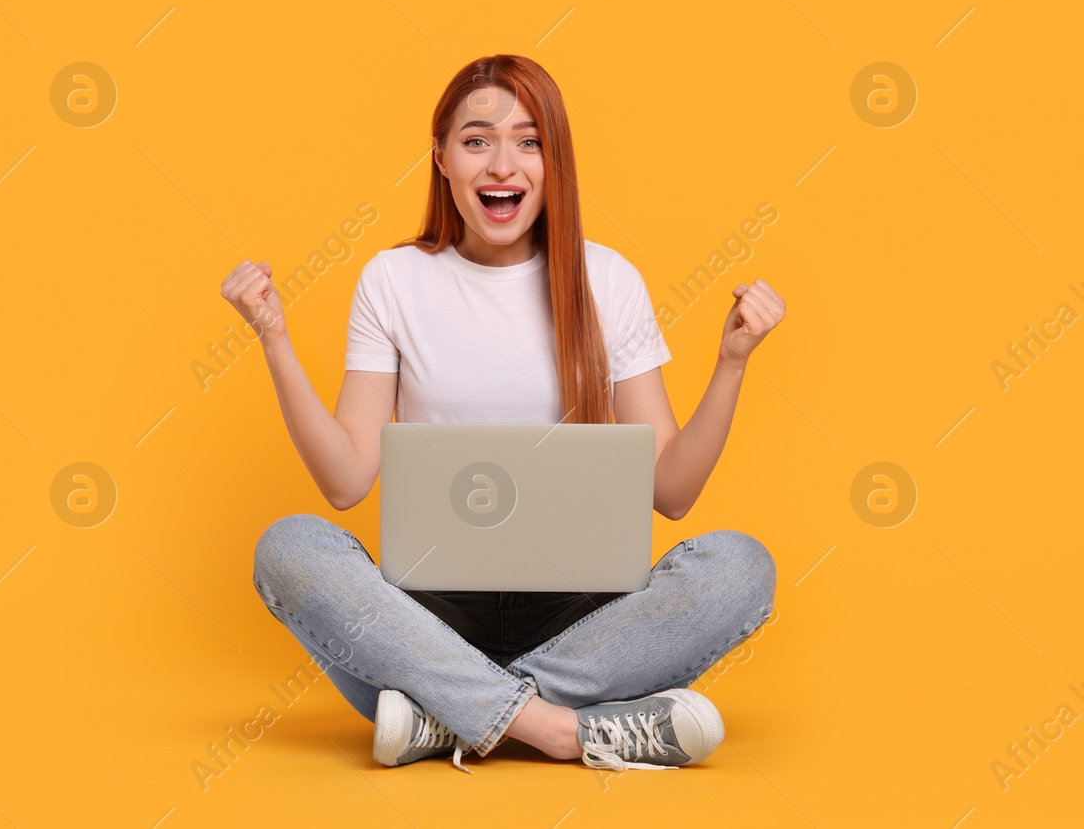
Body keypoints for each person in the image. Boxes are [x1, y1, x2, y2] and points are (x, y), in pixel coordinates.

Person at [219, 54, 786, 775]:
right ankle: (561, 730)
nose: (503, 163)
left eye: (529, 140)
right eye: (477, 139)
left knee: (739, 567)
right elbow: (343, 481)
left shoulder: (606, 279)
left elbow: (672, 492)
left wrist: (732, 362)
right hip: (426, 621)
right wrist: (274, 339)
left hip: (583, 620)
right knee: (290, 547)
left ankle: (449, 715)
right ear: (442, 158)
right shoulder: (394, 280)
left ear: (556, 162)